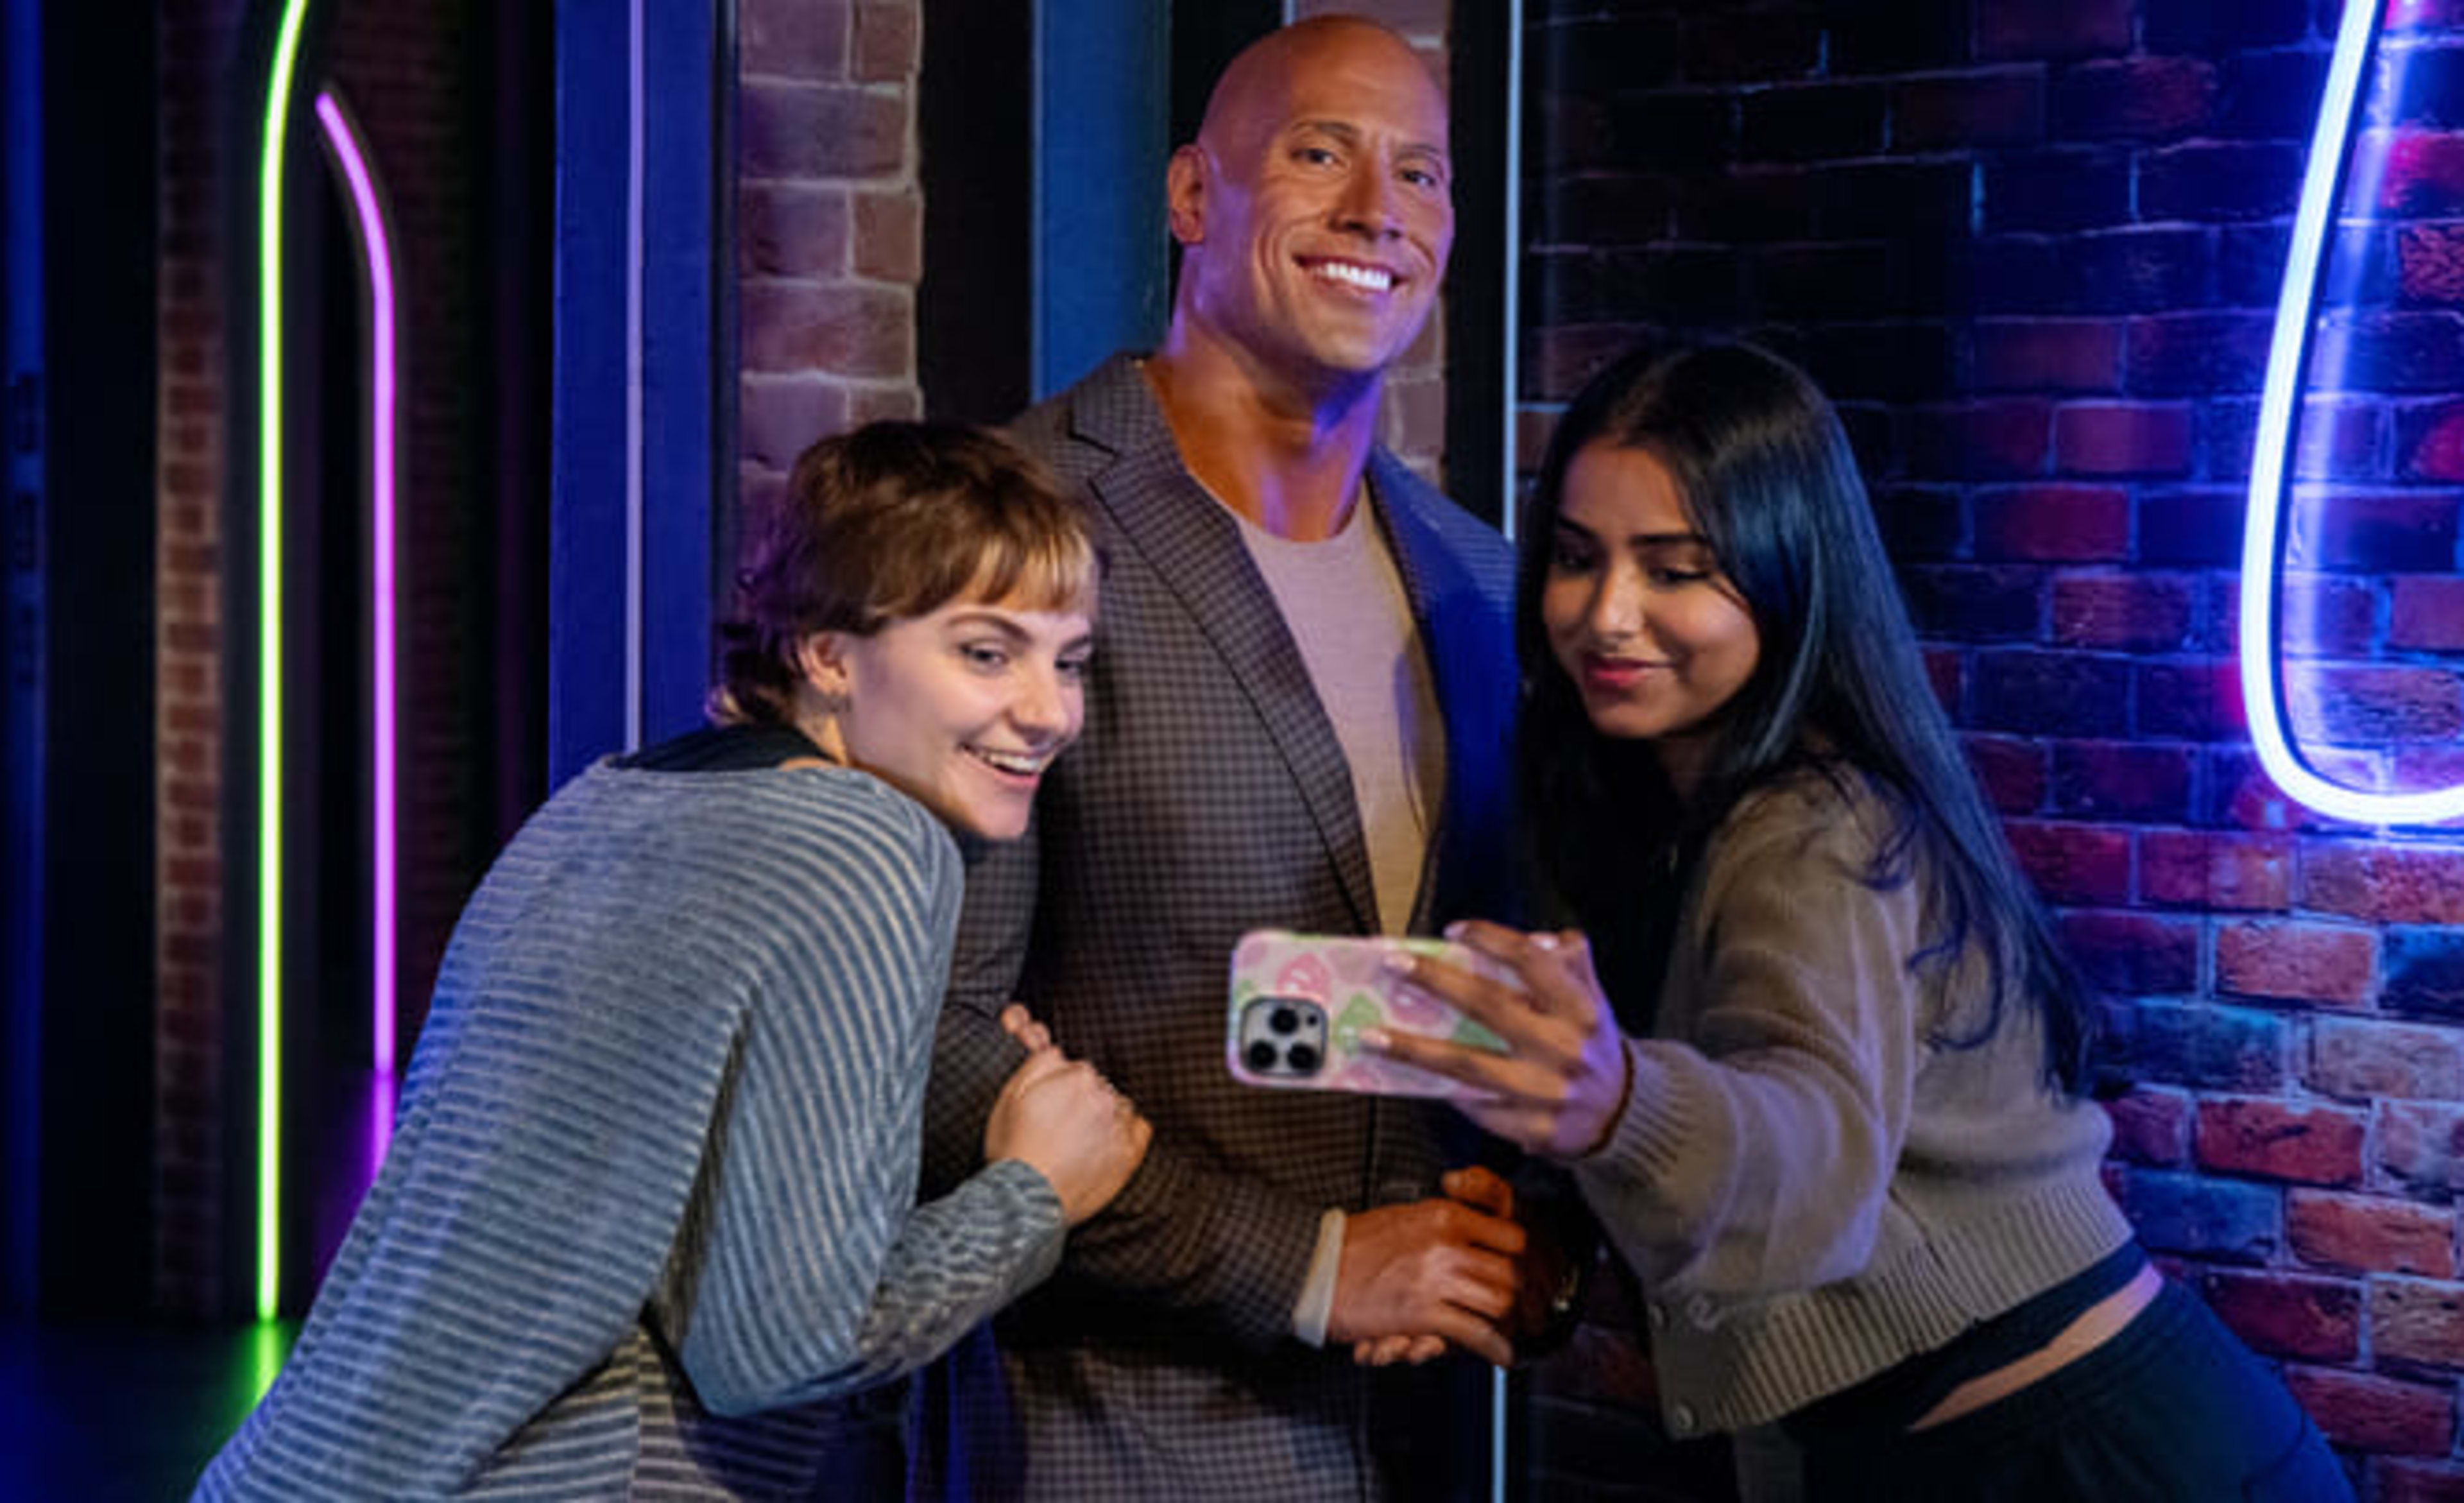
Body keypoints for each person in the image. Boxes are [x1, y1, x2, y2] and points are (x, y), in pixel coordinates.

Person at [1365, 341, 2354, 1502]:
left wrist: (1616, 1106)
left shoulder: (1809, 827)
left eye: (1676, 569)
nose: (1609, 615)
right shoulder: (1647, 809)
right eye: (1578, 559)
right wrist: (1554, 1239)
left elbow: (1813, 1152)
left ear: (1789, 573)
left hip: (2086, 1458)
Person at [192, 422, 1151, 1499]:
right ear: (830, 655)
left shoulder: (610, 798)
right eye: (987, 651)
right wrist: (1037, 1188)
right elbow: (782, 1347)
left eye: (1069, 661)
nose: (1050, 711)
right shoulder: (869, 841)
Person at [911, 15, 1552, 1500]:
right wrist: (1318, 1265)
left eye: (1423, 174)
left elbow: (1327, 993)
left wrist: (1510, 1219)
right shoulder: (1016, 528)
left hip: (1415, 1433)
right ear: (1196, 197)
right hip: (1106, 1428)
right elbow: (934, 1045)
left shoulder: (1477, 581)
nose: (1376, 212)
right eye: (1319, 153)